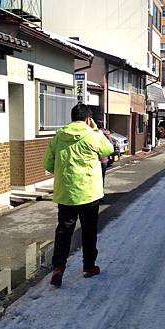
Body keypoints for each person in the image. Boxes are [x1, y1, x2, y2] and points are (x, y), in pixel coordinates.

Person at [44, 103, 114, 288]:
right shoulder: (92, 136)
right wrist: (97, 131)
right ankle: (89, 267)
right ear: (87, 119)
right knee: (89, 231)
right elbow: (108, 150)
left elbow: (48, 164)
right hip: (89, 193)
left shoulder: (59, 136)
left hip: (66, 193)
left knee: (63, 232)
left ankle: (58, 268)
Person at [95, 118, 115, 186]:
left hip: (96, 159)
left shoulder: (95, 133)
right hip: (104, 159)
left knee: (95, 177)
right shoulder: (106, 133)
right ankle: (101, 190)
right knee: (102, 176)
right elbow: (111, 145)